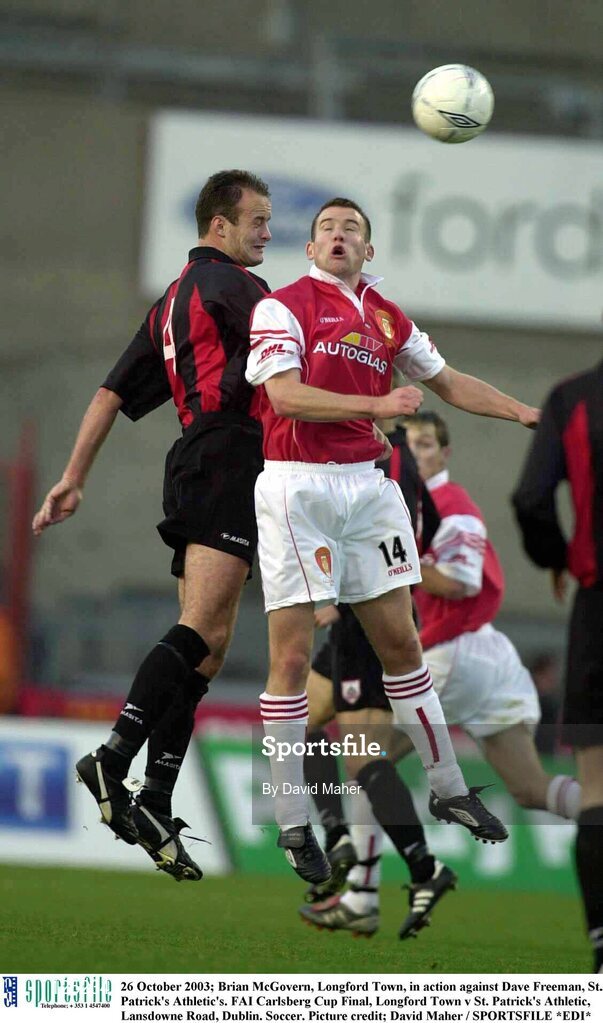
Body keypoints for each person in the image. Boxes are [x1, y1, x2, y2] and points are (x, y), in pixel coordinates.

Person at [245, 195, 539, 883]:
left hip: (368, 489)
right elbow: (285, 397)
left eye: (351, 228)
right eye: (326, 227)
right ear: (310, 248)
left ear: (368, 249)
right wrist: (378, 405)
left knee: (403, 646)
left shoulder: (385, 315)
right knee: (291, 657)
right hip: (298, 486)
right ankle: (292, 818)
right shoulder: (282, 307)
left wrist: (522, 411)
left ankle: (448, 788)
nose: (338, 235)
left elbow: (448, 382)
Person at [32, 169, 272, 881]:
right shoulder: (238, 288)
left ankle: (158, 797)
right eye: (257, 220)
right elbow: (289, 364)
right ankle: (112, 759)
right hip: (228, 455)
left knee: (211, 646)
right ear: (220, 225)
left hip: (198, 456)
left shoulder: (171, 300)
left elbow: (110, 393)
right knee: (201, 628)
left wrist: (74, 476)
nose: (266, 232)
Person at [301, 409, 580, 937]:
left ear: (445, 453)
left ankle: (364, 892)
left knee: (366, 762)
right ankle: (594, 805)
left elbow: (460, 581)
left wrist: (384, 566)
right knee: (530, 787)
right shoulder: (410, 499)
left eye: (426, 444)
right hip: (484, 660)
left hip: (449, 653)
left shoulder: (453, 506)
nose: (416, 452)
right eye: (412, 444)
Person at [512, 359, 603, 974]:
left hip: (598, 611)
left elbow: (531, 499)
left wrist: (556, 556)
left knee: (596, 792)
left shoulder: (573, 398)